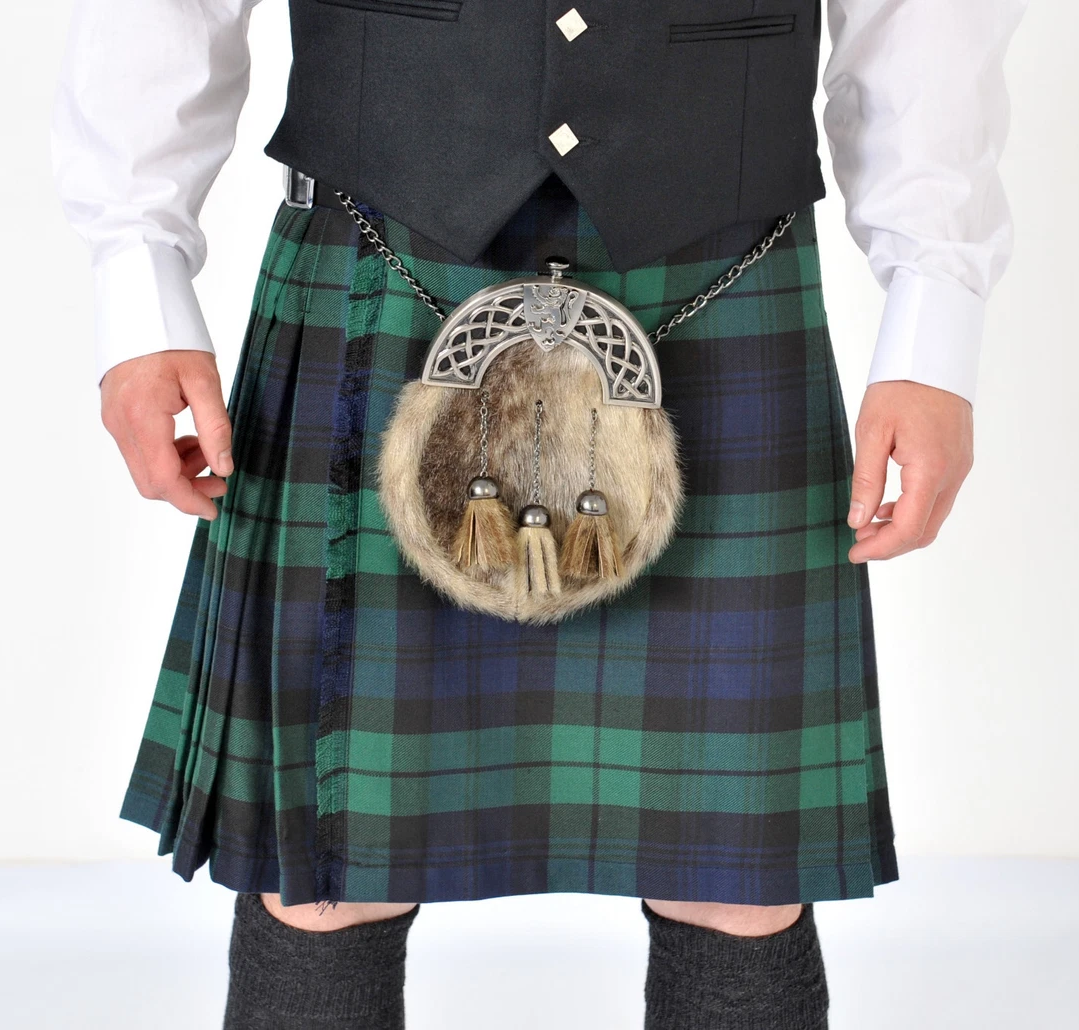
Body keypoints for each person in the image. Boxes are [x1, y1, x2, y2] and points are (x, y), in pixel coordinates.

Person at [50, 2, 1027, 1027]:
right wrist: (138, 279)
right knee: (330, 872)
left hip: (726, 258)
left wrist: (935, 317)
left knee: (738, 874)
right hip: (377, 242)